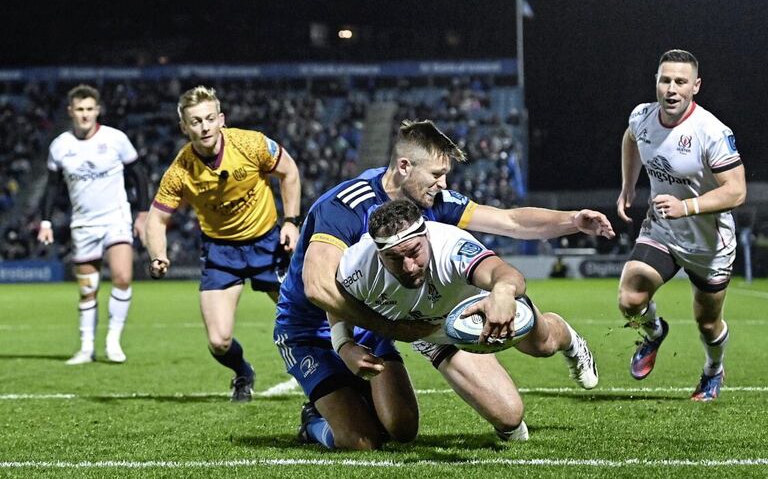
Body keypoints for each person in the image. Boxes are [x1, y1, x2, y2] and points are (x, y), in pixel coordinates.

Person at [273, 119, 615, 449]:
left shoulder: (434, 203)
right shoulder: (345, 206)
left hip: (407, 312)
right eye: (437, 174)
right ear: (405, 166)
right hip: (316, 325)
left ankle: (568, 339)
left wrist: (571, 220)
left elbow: (509, 220)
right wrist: (367, 335)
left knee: (521, 382)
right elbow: (319, 288)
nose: (444, 184)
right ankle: (320, 416)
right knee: (369, 438)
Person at [318, 199, 599, 446]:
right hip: (432, 333)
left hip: (477, 309)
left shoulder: (451, 246)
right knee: (509, 416)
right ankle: (507, 424)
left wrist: (501, 293)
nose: (409, 267)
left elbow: (504, 273)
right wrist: (343, 344)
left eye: (414, 251)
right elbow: (337, 303)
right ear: (379, 254)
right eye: (394, 258)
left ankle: (572, 343)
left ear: (426, 236)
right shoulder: (357, 266)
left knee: (543, 344)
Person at [144, 85, 301, 402]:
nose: (203, 127)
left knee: (306, 317)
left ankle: (334, 375)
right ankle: (243, 373)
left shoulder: (251, 143)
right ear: (184, 127)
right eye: (196, 121)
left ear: (221, 120)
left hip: (269, 244)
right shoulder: (180, 171)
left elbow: (290, 171)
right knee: (218, 341)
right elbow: (156, 219)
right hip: (220, 252)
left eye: (209, 118)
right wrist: (158, 255)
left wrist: (291, 222)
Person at [616, 49, 746, 402]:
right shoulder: (642, 117)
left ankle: (713, 371)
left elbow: (736, 191)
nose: (671, 89)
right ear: (656, 83)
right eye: (665, 80)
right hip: (662, 229)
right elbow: (630, 139)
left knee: (707, 324)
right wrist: (629, 186)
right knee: (630, 299)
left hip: (709, 244)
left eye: (680, 82)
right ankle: (654, 332)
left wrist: (685, 207)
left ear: (695, 86)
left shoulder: (711, 132)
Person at [38, 84, 149, 365]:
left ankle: (113, 340)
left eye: (89, 109)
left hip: (116, 218)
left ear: (97, 110)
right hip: (83, 225)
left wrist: (143, 212)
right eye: (79, 110)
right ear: (70, 112)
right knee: (88, 288)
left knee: (123, 277)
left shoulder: (115, 139)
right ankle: (86, 348)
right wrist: (46, 221)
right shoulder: (60, 146)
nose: (85, 115)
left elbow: (138, 173)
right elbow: (52, 187)